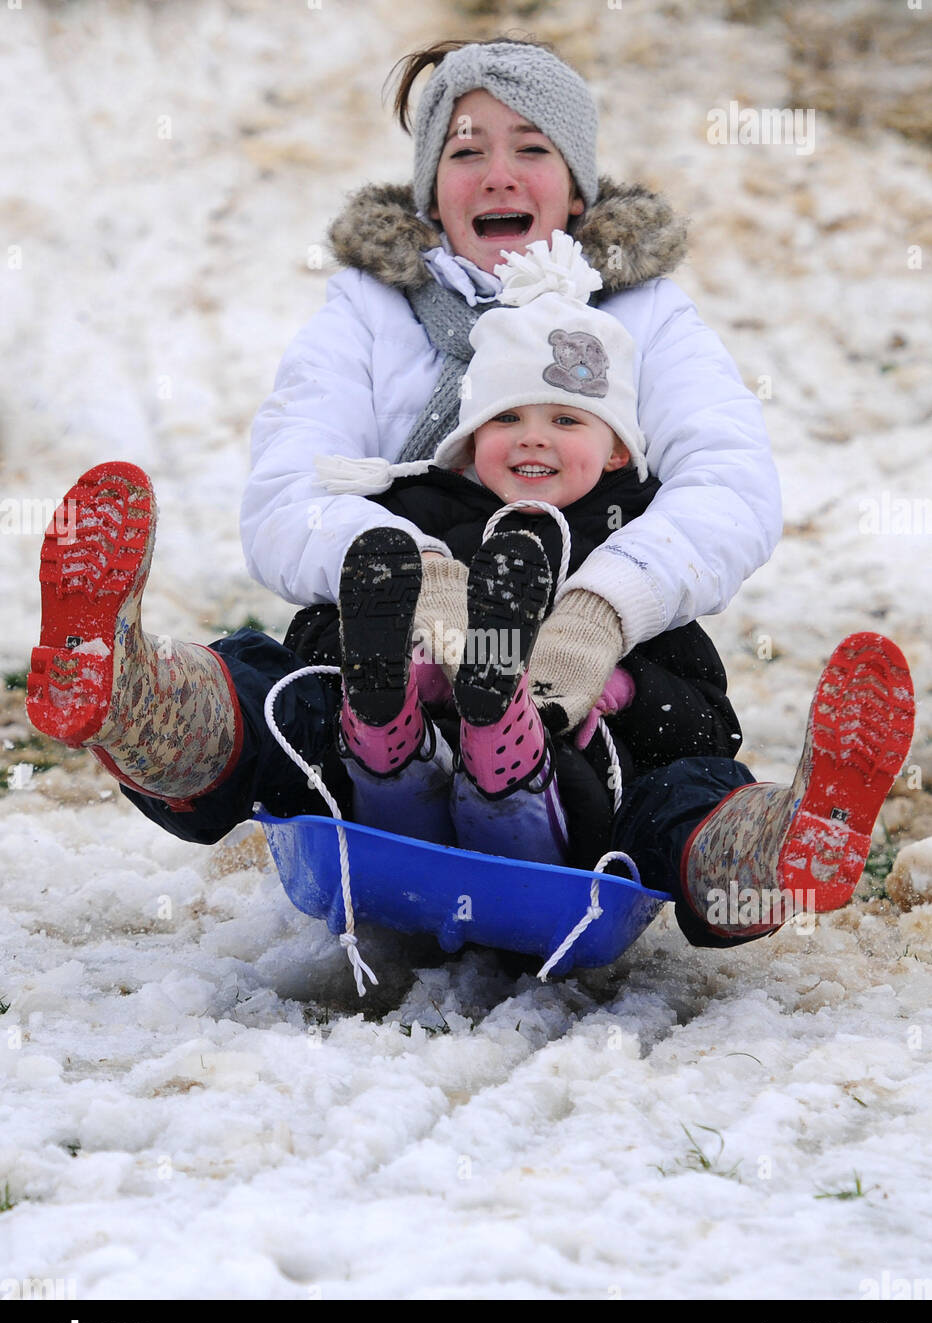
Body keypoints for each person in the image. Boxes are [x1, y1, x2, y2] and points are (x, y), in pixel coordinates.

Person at [24, 38, 915, 958]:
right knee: (279, 703)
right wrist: (416, 582)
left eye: (530, 147)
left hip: (592, 695)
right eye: (464, 149)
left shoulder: (644, 314)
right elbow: (289, 491)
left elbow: (730, 483)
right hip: (387, 666)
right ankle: (129, 692)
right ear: (428, 188)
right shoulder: (369, 311)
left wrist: (601, 612)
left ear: (576, 186)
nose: (498, 173)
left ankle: (782, 846)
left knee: (673, 792)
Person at [292, 230, 743, 871]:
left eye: (565, 420)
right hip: (390, 798)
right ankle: (388, 716)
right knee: (340, 711)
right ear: (470, 441)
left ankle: (502, 726)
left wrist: (622, 685)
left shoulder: (631, 547)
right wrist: (396, 652)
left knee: (642, 782)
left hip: (562, 818)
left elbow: (709, 728)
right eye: (505, 419)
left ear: (618, 448)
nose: (532, 440)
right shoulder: (423, 520)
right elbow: (309, 636)